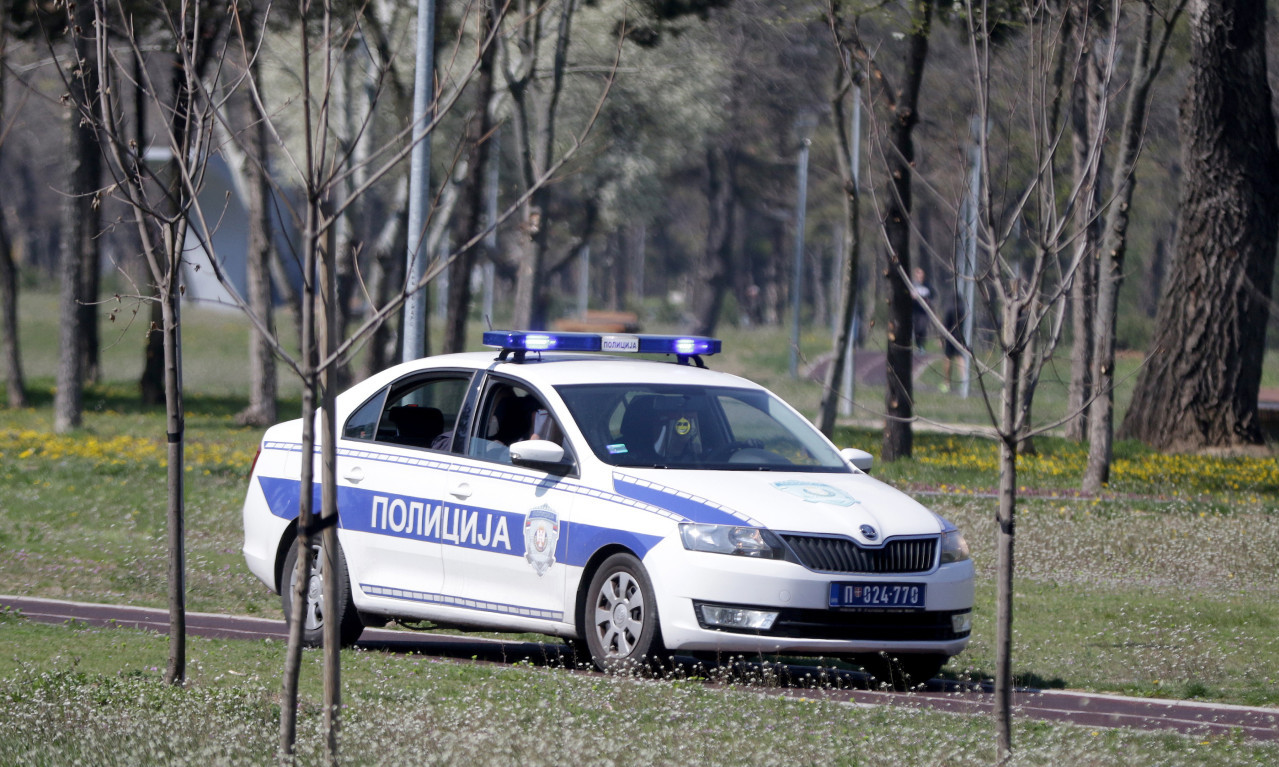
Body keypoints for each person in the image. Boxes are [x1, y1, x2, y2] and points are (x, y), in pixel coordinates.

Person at [941, 302, 965, 393]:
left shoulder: (949, 308)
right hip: (960, 336)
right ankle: (964, 380)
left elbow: (945, 324)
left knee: (948, 358)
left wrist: (942, 338)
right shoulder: (963, 309)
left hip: (949, 336)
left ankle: (947, 383)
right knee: (960, 357)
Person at [911, 267, 933, 352]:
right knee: (916, 329)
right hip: (915, 311)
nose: (919, 276)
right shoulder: (912, 285)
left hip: (924, 312)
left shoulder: (927, 286)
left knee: (922, 329)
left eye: (920, 274)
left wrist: (927, 300)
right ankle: (918, 345)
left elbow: (932, 296)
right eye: (917, 273)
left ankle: (922, 346)